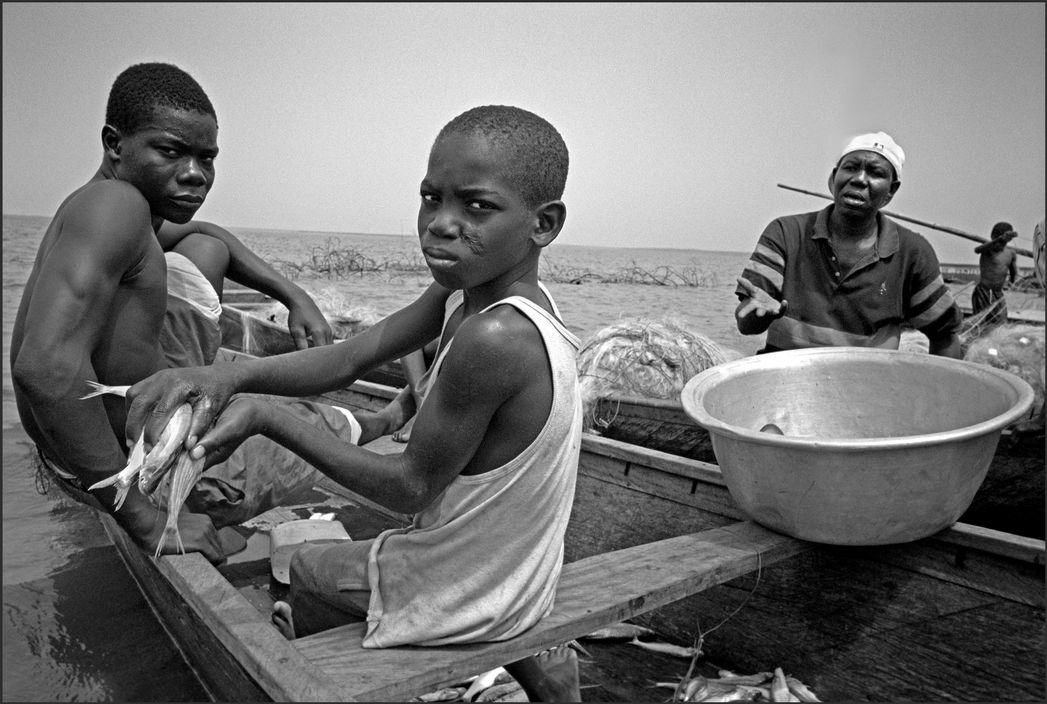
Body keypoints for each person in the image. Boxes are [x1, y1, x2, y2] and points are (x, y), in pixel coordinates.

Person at [124, 105, 583, 701]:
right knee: (328, 552)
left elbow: (408, 487)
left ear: (543, 224)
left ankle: (357, 669)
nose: (441, 224)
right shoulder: (471, 293)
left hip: (474, 593)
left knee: (302, 567)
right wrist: (225, 379)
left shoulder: (497, 337)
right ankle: (528, 672)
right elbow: (350, 358)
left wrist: (267, 416)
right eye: (430, 197)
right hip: (517, 575)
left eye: (477, 206)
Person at [10, 62, 408, 564]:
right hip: (134, 468)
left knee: (204, 251)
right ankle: (380, 422)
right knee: (303, 426)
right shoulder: (116, 207)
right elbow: (44, 369)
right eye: (171, 151)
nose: (195, 174)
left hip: (92, 442)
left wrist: (293, 295)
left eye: (207, 157)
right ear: (115, 143)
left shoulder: (121, 207)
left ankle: (355, 417)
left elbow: (212, 237)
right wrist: (145, 519)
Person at [735, 131, 963, 358]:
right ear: (834, 178)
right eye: (851, 167)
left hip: (867, 387)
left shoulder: (913, 252)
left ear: (891, 190)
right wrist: (759, 315)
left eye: (875, 173)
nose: (860, 179)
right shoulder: (786, 232)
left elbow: (944, 335)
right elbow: (747, 325)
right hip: (785, 384)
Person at [971, 221, 1019, 327]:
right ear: (994, 237)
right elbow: (977, 250)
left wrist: (1012, 283)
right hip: (983, 292)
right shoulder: (988, 249)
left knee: (1001, 322)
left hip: (998, 293)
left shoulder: (1011, 253)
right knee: (980, 322)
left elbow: (1013, 272)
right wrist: (1000, 239)